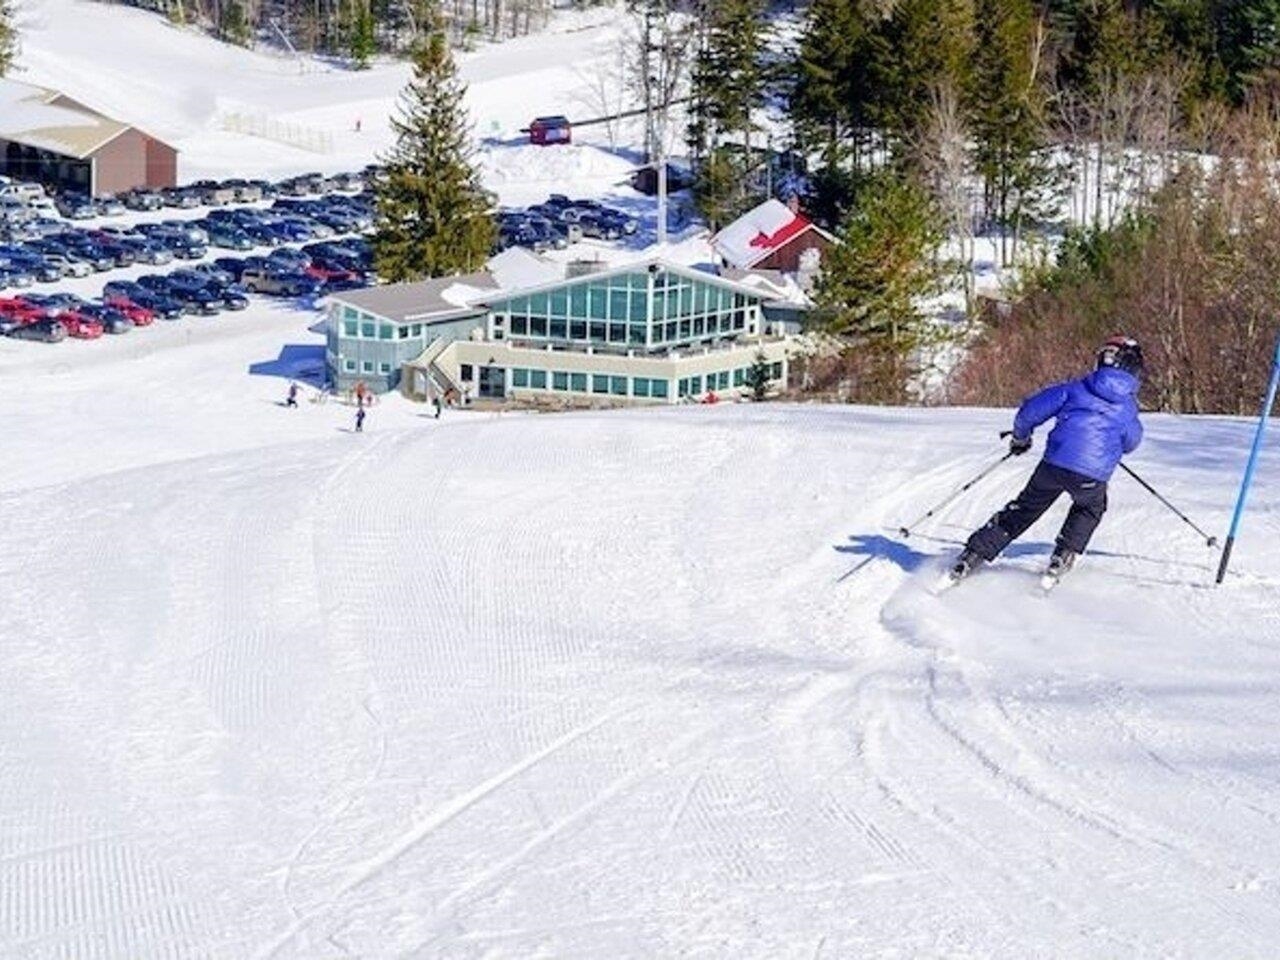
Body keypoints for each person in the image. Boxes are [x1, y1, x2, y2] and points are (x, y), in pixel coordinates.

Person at [951, 336, 1144, 583]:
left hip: (1054, 465)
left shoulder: (1075, 388)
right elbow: (1132, 442)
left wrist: (1021, 438)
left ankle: (973, 555)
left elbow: (1030, 411)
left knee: (1025, 508)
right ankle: (1063, 556)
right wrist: (1109, 446)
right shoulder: (1128, 408)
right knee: (1090, 507)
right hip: (1092, 475)